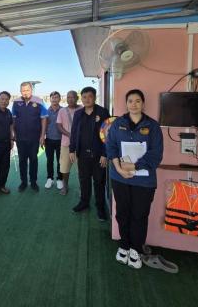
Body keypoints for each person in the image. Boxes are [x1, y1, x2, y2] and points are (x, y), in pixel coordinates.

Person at [106, 89, 163, 269]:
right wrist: (118, 168)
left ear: (143, 103)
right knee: (122, 213)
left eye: (138, 101)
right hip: (120, 178)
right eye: (130, 101)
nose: (134, 104)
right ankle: (124, 245)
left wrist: (135, 166)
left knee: (139, 215)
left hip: (144, 182)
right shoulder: (118, 124)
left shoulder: (153, 126)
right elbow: (111, 147)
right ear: (126, 104)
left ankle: (135, 249)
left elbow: (156, 154)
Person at [69, 86, 110, 221]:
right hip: (82, 154)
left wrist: (105, 153)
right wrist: (72, 150)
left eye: (90, 96)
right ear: (81, 98)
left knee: (99, 182)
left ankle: (100, 207)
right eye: (84, 97)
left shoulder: (103, 112)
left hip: (99, 155)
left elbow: (108, 134)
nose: (87, 99)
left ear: (94, 97)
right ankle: (84, 202)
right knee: (84, 180)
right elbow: (74, 132)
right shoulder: (78, 114)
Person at [12, 82, 48, 192]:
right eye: (23, 90)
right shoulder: (16, 102)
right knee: (22, 160)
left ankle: (33, 182)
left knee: (33, 160)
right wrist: (13, 134)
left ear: (31, 90)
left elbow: (44, 119)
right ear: (20, 91)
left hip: (34, 138)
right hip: (20, 138)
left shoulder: (39, 101)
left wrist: (42, 135)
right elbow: (13, 119)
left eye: (27, 90)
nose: (25, 92)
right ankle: (23, 182)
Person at [56, 90, 82, 195]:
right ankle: (65, 186)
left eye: (72, 97)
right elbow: (59, 125)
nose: (70, 99)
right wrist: (69, 134)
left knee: (81, 169)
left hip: (80, 145)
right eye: (68, 97)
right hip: (66, 144)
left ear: (77, 98)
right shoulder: (62, 111)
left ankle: (82, 188)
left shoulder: (82, 109)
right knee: (64, 168)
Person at [44, 91, 62, 189]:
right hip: (49, 140)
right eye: (53, 97)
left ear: (60, 99)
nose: (54, 99)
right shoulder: (46, 111)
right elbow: (43, 126)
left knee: (60, 161)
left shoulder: (63, 111)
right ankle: (50, 178)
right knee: (49, 160)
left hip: (61, 140)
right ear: (50, 99)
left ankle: (59, 179)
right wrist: (42, 138)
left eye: (56, 97)